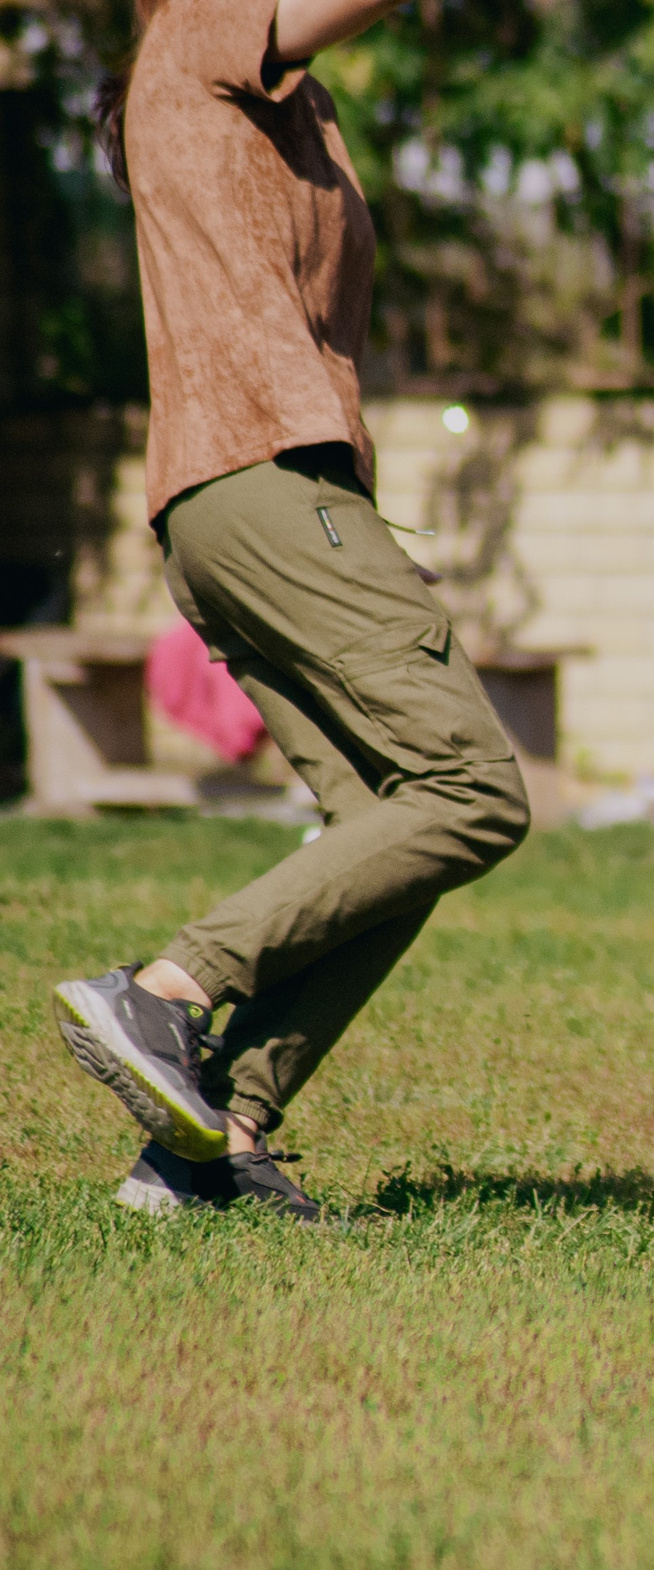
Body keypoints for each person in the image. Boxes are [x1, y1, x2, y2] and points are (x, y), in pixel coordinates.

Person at [52, 0, 531, 1219]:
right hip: (262, 475)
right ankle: (164, 988)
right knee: (471, 788)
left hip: (252, 496)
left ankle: (211, 1141)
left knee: (389, 819)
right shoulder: (196, 24)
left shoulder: (263, 89)